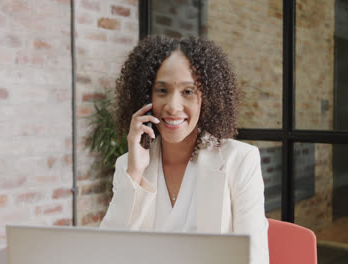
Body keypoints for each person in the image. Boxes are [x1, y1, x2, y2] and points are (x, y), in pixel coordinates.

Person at [100, 35, 269, 264]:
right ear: (146, 96)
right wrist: (135, 172)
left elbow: (254, 257)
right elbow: (105, 252)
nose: (172, 106)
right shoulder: (128, 165)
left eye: (188, 92)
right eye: (162, 90)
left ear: (206, 98)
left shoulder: (239, 161)